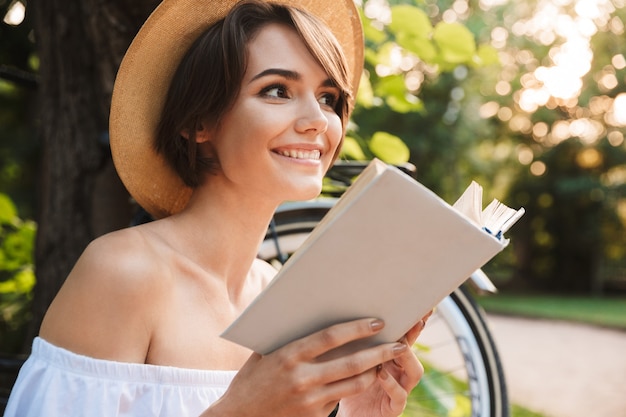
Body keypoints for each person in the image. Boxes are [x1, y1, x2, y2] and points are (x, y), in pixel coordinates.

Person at [4, 1, 431, 416]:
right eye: (277, 90)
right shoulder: (123, 274)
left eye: (327, 97)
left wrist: (360, 412)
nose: (318, 119)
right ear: (198, 122)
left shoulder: (281, 296)